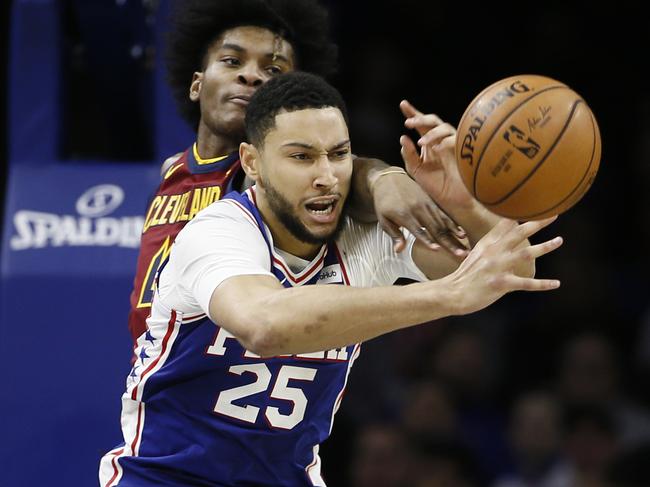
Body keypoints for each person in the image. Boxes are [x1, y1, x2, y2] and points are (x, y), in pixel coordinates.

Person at [100, 71, 563, 486]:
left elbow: (513, 272)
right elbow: (266, 325)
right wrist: (448, 296)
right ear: (252, 162)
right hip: (164, 478)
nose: (327, 176)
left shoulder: (368, 238)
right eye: (301, 157)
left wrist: (462, 201)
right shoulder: (217, 231)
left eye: (338, 154)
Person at [128, 0, 466, 344]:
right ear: (196, 84)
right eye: (232, 61)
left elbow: (345, 177)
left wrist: (382, 179)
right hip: (160, 369)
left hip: (243, 358)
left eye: (273, 70)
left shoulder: (268, 178)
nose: (251, 75)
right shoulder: (173, 169)